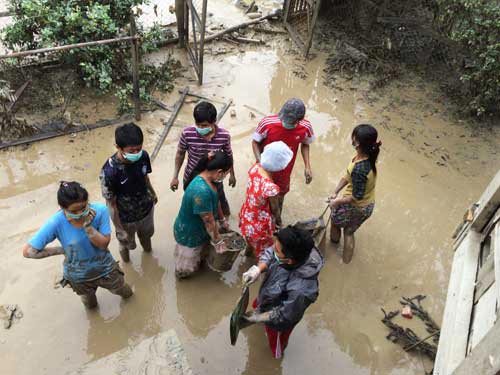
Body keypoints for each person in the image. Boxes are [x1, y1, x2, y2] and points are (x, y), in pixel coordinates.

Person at [22, 181, 133, 309]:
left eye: (84, 207)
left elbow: (103, 245)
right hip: (78, 275)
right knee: (89, 303)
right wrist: (62, 250)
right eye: (74, 211)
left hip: (105, 268)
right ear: (62, 208)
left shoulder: (100, 211)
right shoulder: (56, 222)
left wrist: (88, 227)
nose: (80, 213)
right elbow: (28, 252)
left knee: (125, 291)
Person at [240, 226, 323, 358]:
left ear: (289, 261)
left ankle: (278, 354)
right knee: (257, 305)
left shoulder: (301, 290)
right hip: (268, 295)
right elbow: (270, 252)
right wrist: (258, 269)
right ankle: (260, 312)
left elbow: (286, 315)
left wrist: (258, 317)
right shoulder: (290, 250)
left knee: (276, 343)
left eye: (277, 250)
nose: (273, 248)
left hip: (279, 320)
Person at [100, 123, 158, 263]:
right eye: (131, 151)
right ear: (118, 147)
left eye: (139, 149)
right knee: (125, 244)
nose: (136, 153)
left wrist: (153, 193)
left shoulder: (143, 156)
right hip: (126, 218)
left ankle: (148, 257)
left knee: (147, 237)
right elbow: (111, 203)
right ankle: (127, 264)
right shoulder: (110, 171)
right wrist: (119, 229)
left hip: (146, 208)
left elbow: (145, 177)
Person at [251, 98, 314, 223]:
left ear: (299, 120)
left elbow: (305, 144)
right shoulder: (267, 123)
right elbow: (255, 142)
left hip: (285, 170)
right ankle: (266, 219)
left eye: (290, 121)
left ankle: (277, 217)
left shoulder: (306, 127)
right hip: (265, 167)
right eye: (284, 119)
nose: (286, 123)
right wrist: (260, 162)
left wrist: (307, 166)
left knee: (280, 194)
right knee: (262, 195)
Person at [170, 101, 236, 218]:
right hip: (192, 177)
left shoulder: (224, 136)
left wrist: (232, 175)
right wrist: (175, 177)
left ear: (213, 122)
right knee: (197, 209)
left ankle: (225, 222)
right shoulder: (187, 133)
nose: (200, 128)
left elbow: (229, 156)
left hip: (215, 178)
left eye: (204, 125)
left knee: (221, 205)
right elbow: (180, 154)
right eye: (198, 124)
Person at [173, 150, 233, 278]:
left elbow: (216, 201)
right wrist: (217, 241)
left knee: (201, 256)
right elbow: (208, 221)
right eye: (226, 174)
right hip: (189, 234)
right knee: (185, 269)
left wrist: (222, 220)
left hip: (201, 231)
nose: (225, 177)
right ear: (219, 172)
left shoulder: (210, 180)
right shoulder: (201, 191)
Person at [328, 124, 381, 264]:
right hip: (367, 205)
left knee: (337, 224)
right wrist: (336, 191)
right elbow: (347, 175)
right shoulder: (368, 155)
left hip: (356, 206)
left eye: (353, 137)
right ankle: (346, 264)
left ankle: (333, 248)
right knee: (350, 231)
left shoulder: (360, 169)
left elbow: (356, 196)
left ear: (356, 143)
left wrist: (337, 201)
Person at [239, 141, 293, 258]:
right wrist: (279, 222)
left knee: (250, 243)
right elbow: (275, 209)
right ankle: (259, 271)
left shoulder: (255, 168)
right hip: (259, 227)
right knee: (264, 254)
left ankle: (246, 258)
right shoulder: (271, 188)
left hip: (247, 217)